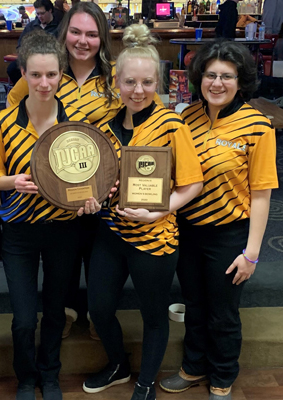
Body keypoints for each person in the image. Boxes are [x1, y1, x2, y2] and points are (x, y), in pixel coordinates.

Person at [7, 1, 164, 339]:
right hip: (52, 188)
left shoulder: (113, 77)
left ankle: (97, 312)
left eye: (92, 34)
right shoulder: (46, 71)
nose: (82, 40)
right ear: (64, 33)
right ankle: (64, 310)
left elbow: (151, 114)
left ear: (102, 38)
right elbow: (15, 116)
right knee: (61, 257)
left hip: (104, 189)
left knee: (97, 254)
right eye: (75, 31)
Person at [82, 23, 203, 400]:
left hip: (155, 237)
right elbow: (94, 180)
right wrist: (89, 199)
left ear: (158, 83)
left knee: (154, 315)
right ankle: (118, 364)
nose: (138, 91)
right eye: (130, 82)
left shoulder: (172, 124)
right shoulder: (102, 125)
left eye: (147, 83)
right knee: (99, 309)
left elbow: (192, 184)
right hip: (111, 234)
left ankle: (146, 381)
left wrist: (160, 212)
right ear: (116, 81)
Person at [159, 40, 278, 400]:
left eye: (227, 76)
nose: (216, 83)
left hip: (230, 235)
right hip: (188, 230)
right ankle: (193, 367)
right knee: (194, 304)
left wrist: (252, 253)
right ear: (200, 77)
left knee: (223, 313)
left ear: (240, 81)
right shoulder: (186, 118)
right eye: (210, 74)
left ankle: (223, 376)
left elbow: (261, 194)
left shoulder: (258, 126)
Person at [0, 30, 91, 400]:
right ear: (23, 75)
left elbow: (90, 176)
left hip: (64, 229)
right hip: (18, 233)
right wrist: (11, 181)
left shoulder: (77, 125)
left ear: (62, 74)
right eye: (36, 75)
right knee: (24, 319)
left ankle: (50, 375)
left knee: (56, 312)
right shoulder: (1, 124)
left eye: (51, 75)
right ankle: (26, 378)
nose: (44, 83)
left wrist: (90, 199)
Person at [6, 0, 61, 85]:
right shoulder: (31, 26)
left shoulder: (59, 27)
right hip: (31, 59)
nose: (40, 17)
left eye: (42, 13)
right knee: (12, 69)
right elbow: (20, 46)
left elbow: (62, 48)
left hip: (51, 60)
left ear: (50, 10)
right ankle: (27, 90)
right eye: (37, 14)